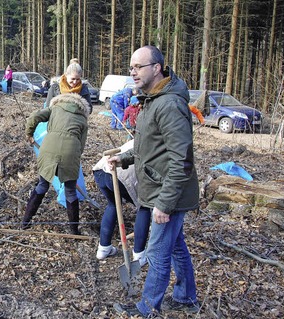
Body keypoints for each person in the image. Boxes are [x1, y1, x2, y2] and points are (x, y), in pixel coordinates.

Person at [110, 45, 200, 317]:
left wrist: (165, 203)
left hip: (168, 193)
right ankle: (185, 296)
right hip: (159, 189)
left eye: (138, 66)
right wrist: (124, 159)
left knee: (158, 254)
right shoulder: (152, 100)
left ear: (157, 68)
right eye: (131, 67)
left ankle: (147, 309)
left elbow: (181, 159)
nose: (133, 72)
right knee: (175, 248)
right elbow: (149, 146)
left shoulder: (169, 104)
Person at [22, 72, 91, 235]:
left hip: (48, 148)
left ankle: (25, 223)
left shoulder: (54, 108)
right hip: (71, 151)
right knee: (70, 191)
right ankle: (74, 231)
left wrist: (29, 134)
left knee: (42, 185)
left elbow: (34, 117)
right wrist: (73, 156)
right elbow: (81, 146)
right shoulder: (83, 119)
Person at [93, 140, 150, 264]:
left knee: (113, 205)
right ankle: (139, 255)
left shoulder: (142, 135)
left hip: (101, 171)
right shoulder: (157, 142)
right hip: (118, 173)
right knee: (144, 207)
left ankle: (103, 249)